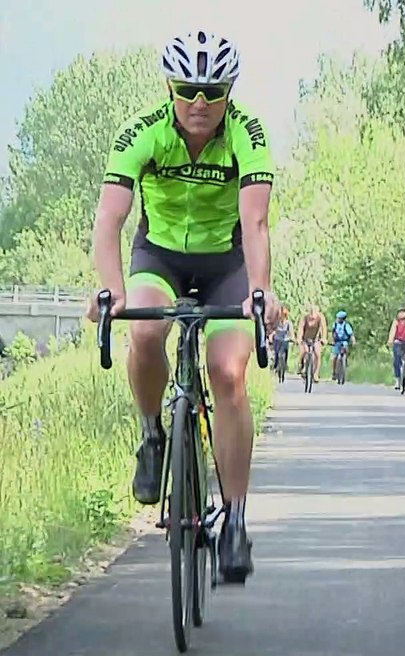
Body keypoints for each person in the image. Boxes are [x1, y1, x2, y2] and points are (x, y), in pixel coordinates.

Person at [86, 30, 281, 583]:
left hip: (226, 265)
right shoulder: (143, 132)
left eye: (213, 92)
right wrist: (110, 290)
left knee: (228, 373)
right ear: (171, 88)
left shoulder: (248, 133)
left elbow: (257, 222)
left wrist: (259, 291)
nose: (199, 103)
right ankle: (153, 432)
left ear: (229, 92)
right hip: (160, 257)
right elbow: (109, 219)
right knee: (145, 333)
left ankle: (236, 521)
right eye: (187, 89)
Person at [297, 304, 325, 379]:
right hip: (305, 339)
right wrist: (299, 338)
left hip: (315, 339)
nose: (312, 317)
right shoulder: (305, 317)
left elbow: (323, 328)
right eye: (311, 314)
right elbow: (301, 328)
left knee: (317, 353)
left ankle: (316, 373)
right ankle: (301, 365)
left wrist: (323, 338)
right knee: (304, 351)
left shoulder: (320, 318)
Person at [330, 310, 354, 380]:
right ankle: (334, 372)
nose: (337, 319)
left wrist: (353, 341)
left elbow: (351, 334)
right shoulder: (335, 324)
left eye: (339, 318)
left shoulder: (346, 325)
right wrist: (332, 341)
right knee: (334, 356)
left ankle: (345, 362)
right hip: (337, 342)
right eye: (337, 318)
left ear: (343, 319)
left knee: (345, 349)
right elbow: (333, 333)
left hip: (344, 341)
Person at [270, 306, 293, 372]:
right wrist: (271, 335)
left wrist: (292, 338)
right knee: (277, 353)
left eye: (284, 315)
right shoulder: (276, 322)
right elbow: (273, 330)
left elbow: (291, 331)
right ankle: (275, 365)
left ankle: (285, 365)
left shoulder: (288, 323)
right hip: (277, 339)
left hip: (285, 340)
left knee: (286, 352)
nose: (282, 317)